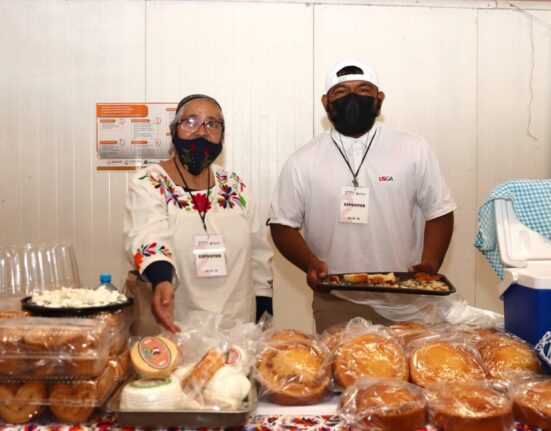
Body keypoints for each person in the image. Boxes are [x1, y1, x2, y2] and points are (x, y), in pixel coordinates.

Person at [268, 59, 456, 332]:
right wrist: (310, 263)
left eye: (364, 90)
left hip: (408, 301)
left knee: (408, 373)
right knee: (342, 374)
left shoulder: (413, 148)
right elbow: (282, 224)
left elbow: (439, 211)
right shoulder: (302, 160)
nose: (353, 97)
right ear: (326, 102)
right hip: (337, 300)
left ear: (379, 99)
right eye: (341, 92)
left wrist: (430, 264)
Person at [123, 94, 273, 332]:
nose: (201, 132)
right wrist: (161, 279)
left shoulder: (233, 185)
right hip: (178, 327)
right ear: (173, 132)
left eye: (212, 124)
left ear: (222, 136)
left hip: (237, 328)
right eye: (191, 122)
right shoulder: (149, 182)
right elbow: (148, 234)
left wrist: (264, 309)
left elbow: (258, 252)